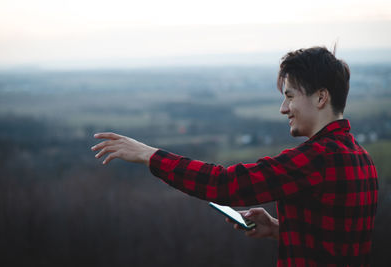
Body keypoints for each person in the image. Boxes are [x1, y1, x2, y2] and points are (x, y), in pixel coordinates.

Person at [91, 46, 378, 266]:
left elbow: (225, 184)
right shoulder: (362, 159)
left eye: (290, 96)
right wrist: (279, 229)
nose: (283, 108)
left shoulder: (317, 159)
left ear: (320, 97)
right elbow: (337, 246)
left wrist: (149, 155)